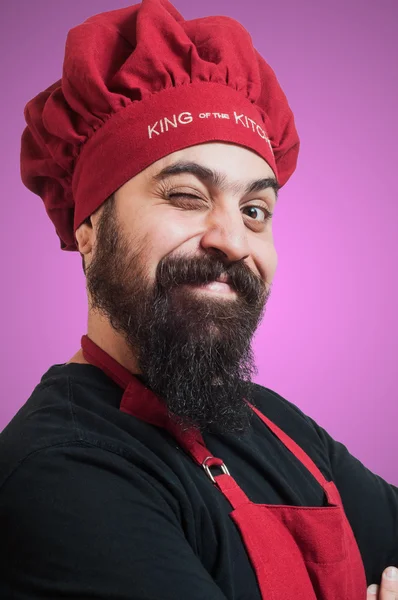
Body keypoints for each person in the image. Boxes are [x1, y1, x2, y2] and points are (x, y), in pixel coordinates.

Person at [0, 0, 397, 598]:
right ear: (88, 231)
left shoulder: (275, 424)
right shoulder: (60, 472)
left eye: (255, 210)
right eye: (186, 196)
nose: (233, 241)